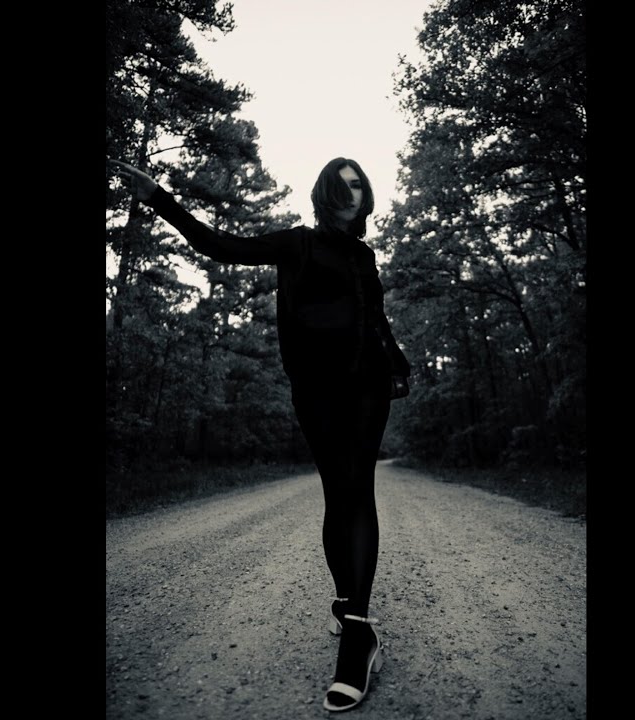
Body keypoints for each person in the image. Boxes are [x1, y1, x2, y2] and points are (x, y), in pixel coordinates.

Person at [109, 156, 410, 712]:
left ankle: (358, 633)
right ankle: (346, 600)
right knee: (336, 494)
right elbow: (219, 246)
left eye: (360, 185)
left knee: (358, 490)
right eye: (345, 184)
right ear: (327, 192)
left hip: (367, 383)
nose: (355, 193)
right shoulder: (297, 244)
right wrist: (159, 199)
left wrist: (396, 361)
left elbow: (375, 316)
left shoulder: (364, 255)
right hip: (315, 387)